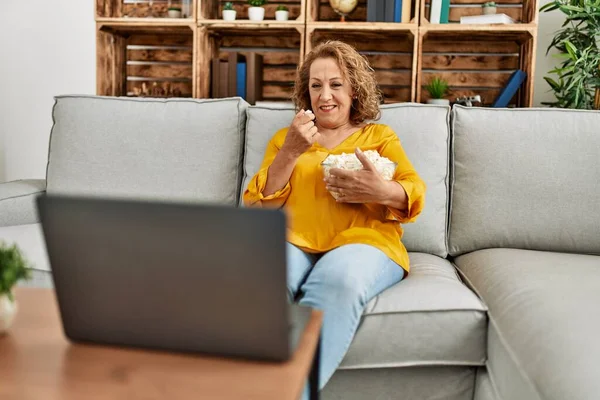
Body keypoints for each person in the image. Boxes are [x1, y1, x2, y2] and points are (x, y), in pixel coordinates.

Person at [243, 40, 426, 394]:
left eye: (336, 84)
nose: (325, 95)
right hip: (293, 239)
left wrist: (379, 190)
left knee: (337, 281)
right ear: (306, 92)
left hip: (363, 239)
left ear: (353, 89)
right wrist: (293, 151)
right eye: (316, 85)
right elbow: (257, 207)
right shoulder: (287, 138)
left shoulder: (378, 137)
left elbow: (412, 191)